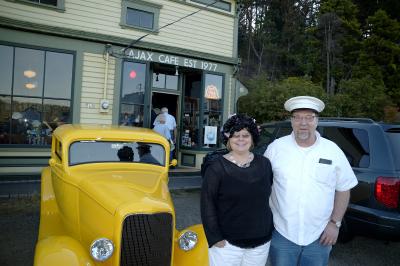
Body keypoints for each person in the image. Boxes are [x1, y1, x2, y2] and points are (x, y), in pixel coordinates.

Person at [264, 96, 358, 266]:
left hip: (320, 235)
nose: (303, 123)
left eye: (309, 117)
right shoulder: (275, 148)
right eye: (298, 117)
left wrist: (335, 224)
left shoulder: (332, 150)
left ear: (317, 120)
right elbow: (263, 185)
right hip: (282, 233)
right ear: (291, 121)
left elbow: (344, 188)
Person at [201, 114, 274, 266]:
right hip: (226, 244)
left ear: (253, 138)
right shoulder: (216, 168)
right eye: (235, 135)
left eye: (245, 135)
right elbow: (207, 203)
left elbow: (268, 196)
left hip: (260, 243)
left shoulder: (265, 164)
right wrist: (215, 238)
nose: (240, 139)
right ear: (228, 139)